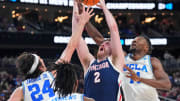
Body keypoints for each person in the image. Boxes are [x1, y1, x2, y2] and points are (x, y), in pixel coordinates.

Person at [8, 0, 94, 100]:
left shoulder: (20, 91)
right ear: (40, 68)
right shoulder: (50, 75)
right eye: (41, 61)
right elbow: (71, 46)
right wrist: (82, 22)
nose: (43, 61)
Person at [84, 18, 172, 100]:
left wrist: (140, 79)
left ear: (146, 48)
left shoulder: (152, 61)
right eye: (134, 40)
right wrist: (86, 21)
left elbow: (166, 85)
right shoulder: (122, 58)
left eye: (139, 40)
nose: (134, 41)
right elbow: (100, 40)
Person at [76, 0, 125, 101]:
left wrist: (104, 7)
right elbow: (77, 39)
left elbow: (113, 30)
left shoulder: (116, 60)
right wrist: (77, 10)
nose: (103, 43)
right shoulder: (90, 63)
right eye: (102, 43)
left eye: (108, 43)